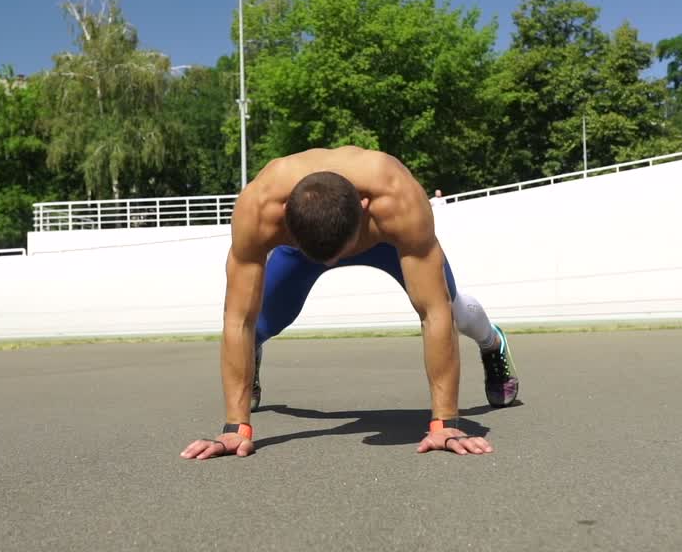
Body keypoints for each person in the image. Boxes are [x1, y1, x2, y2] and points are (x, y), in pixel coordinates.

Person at [180, 146, 520, 460]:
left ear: (364, 207)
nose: (332, 265)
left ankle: (491, 342)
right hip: (304, 246)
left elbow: (434, 311)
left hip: (383, 240)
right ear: (285, 215)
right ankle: (252, 356)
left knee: (453, 308)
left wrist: (444, 423)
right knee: (260, 323)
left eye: (336, 256)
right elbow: (238, 318)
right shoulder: (258, 207)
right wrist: (235, 428)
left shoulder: (396, 196)